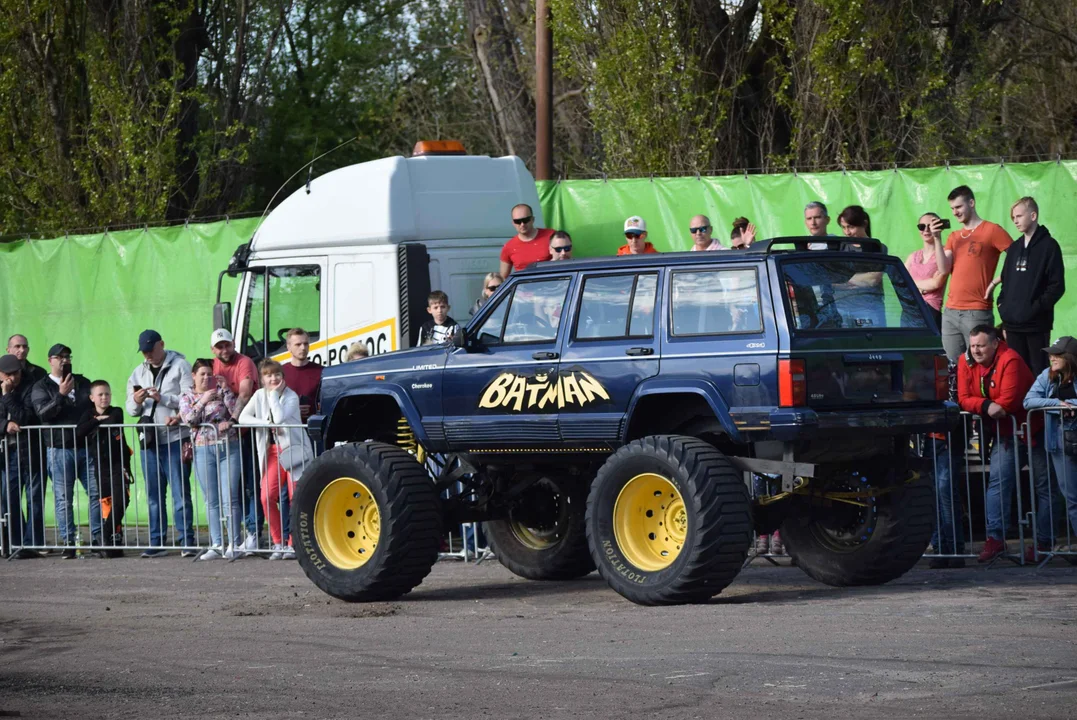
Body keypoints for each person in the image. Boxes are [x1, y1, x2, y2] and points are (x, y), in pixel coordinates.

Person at [956, 325, 1052, 562]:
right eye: (973, 345)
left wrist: (981, 403)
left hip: (1033, 429)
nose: (976, 351)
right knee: (998, 483)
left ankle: (1044, 542)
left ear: (995, 343)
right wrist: (986, 405)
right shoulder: (965, 361)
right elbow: (962, 397)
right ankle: (995, 539)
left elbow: (1008, 402)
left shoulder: (1010, 359)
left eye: (981, 345)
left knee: (1045, 486)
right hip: (1005, 432)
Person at [125, 329, 195, 558]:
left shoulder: (181, 366)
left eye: (150, 350)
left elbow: (189, 398)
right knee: (154, 495)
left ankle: (187, 540)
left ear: (161, 344)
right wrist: (136, 401)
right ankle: (156, 541)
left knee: (180, 492)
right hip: (150, 441)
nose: (147, 356)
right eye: (144, 352)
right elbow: (130, 408)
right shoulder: (137, 372)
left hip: (175, 437)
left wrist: (162, 399)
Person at [239, 359, 313, 560]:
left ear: (282, 376)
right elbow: (243, 418)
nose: (273, 378)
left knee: (294, 497)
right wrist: (264, 422)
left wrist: (273, 395)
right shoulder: (258, 395)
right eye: (268, 375)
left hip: (293, 452)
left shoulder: (290, 396)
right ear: (262, 379)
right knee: (266, 496)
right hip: (271, 451)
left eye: (277, 374)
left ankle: (293, 543)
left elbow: (279, 418)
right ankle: (278, 542)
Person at [31, 344, 99, 559]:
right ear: (50, 360)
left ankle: (99, 538)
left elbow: (92, 407)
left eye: (67, 356)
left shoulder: (82, 382)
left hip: (85, 447)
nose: (64, 360)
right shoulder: (41, 386)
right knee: (63, 499)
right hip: (59, 449)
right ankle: (68, 541)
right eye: (59, 357)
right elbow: (43, 414)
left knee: (96, 494)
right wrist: (60, 394)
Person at [936, 186, 1012, 362]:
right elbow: (944, 268)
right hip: (950, 311)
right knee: (954, 366)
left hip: (977, 310)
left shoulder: (991, 230)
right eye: (952, 208)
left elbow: (1017, 257)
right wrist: (937, 238)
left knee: (981, 363)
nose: (955, 212)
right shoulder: (953, 237)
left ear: (971, 203)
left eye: (959, 207)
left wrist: (997, 281)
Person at [992, 197, 1065, 376]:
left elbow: (1057, 286)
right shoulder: (1014, 248)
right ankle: (1019, 405)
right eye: (1013, 217)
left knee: (1038, 372)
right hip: (1012, 326)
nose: (1015, 221)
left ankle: (1038, 404)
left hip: (1036, 325)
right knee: (1016, 373)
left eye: (1019, 216)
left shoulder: (1050, 246)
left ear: (1033, 215)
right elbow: (1006, 281)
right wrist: (1003, 308)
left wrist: (1035, 309)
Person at [180, 359, 242, 561]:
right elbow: (189, 420)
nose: (207, 378)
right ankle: (216, 543)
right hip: (202, 449)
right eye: (202, 374)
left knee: (230, 497)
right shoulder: (187, 396)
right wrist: (203, 400)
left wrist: (225, 391)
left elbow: (235, 413)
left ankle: (234, 542)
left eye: (209, 374)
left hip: (228, 447)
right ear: (194, 376)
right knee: (211, 500)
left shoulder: (221, 391)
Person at [1024, 336, 1077, 552]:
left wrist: (1072, 403)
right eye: (1051, 353)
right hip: (1060, 443)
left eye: (1057, 354)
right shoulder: (1047, 376)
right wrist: (1057, 404)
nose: (1052, 357)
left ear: (1070, 357)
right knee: (1072, 497)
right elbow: (1029, 401)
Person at [210, 328, 260, 554]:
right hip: (226, 437)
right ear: (213, 349)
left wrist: (233, 419)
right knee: (233, 489)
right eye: (219, 347)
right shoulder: (212, 365)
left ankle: (253, 532)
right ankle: (233, 538)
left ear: (233, 344)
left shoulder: (244, 362)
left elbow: (245, 393)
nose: (224, 350)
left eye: (227, 345)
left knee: (250, 484)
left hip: (247, 432)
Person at [75, 381, 131, 558]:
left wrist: (95, 423)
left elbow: (114, 421)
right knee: (106, 502)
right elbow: (79, 432)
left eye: (107, 394)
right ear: (92, 398)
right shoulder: (88, 414)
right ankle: (113, 541)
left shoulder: (116, 411)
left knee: (122, 499)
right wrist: (94, 421)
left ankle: (105, 534)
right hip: (100, 464)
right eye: (100, 394)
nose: (104, 397)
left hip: (118, 462)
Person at [0, 353, 43, 557]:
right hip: (7, 454)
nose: (12, 378)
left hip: (29, 450)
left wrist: (8, 396)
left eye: (15, 373)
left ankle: (33, 543)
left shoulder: (30, 386)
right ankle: (16, 543)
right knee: (10, 499)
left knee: (34, 497)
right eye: (7, 374)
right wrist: (4, 425)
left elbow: (25, 416)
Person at [904, 212, 952, 328]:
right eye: (921, 226)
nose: (926, 230)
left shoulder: (945, 253)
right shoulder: (913, 256)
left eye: (930, 226)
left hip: (931, 309)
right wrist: (922, 287)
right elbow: (902, 281)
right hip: (909, 309)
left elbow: (937, 283)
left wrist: (911, 284)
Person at [500, 203, 554, 277]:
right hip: (524, 287)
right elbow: (503, 278)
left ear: (532, 219)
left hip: (551, 285)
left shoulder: (551, 236)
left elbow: (565, 259)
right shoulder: (508, 246)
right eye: (518, 221)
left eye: (525, 220)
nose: (522, 224)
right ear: (513, 223)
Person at [282, 328, 322, 423]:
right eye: (298, 344)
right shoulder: (280, 373)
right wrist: (293, 411)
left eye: (306, 344)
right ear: (289, 347)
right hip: (288, 430)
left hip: (314, 429)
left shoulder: (321, 371)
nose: (303, 348)